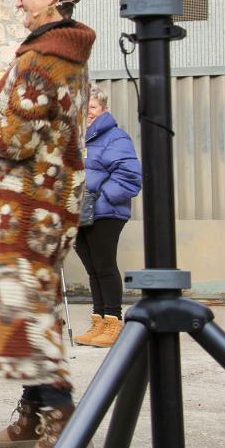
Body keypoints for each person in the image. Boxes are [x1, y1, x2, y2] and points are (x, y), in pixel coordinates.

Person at [0, 0, 96, 448]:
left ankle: (61, 427)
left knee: (32, 316)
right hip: (43, 203)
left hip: (34, 207)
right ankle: (31, 414)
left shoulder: (43, 59)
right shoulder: (58, 54)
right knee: (24, 310)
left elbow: (15, 139)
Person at [74, 86, 141, 348]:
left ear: (103, 109)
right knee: (92, 269)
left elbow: (129, 177)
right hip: (79, 213)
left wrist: (99, 201)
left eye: (92, 107)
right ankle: (98, 321)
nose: (87, 113)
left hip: (105, 213)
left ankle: (114, 322)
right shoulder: (78, 139)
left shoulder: (116, 137)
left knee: (104, 266)